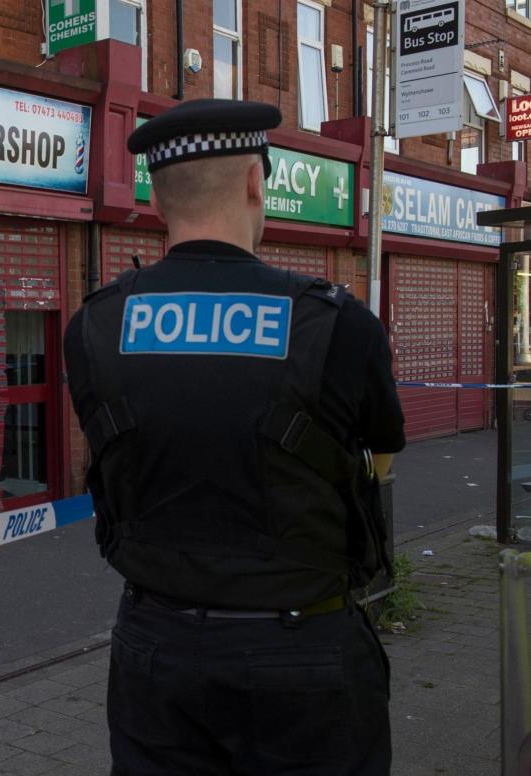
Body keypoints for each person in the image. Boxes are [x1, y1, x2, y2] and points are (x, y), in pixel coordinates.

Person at [63, 99, 405, 775]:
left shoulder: (95, 328)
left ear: (157, 199)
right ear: (256, 182)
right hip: (304, 655)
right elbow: (380, 462)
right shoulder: (336, 325)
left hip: (157, 653)